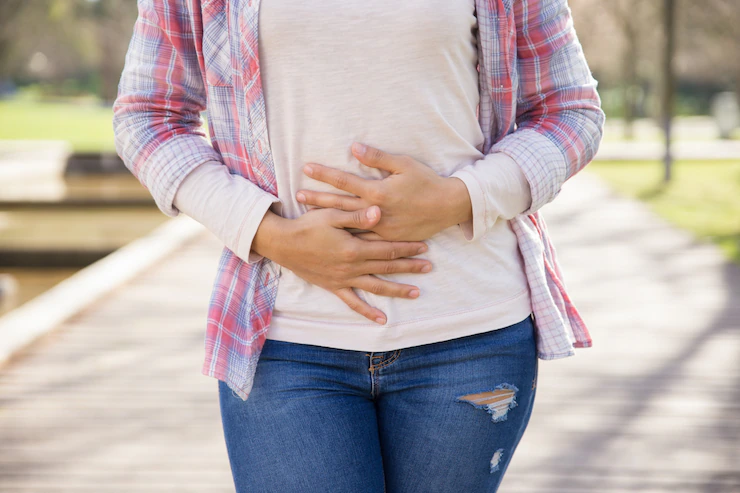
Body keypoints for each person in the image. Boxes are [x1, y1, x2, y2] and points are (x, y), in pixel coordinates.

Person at [112, 0, 604, 491]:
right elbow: (149, 119)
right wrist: (268, 233)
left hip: (470, 337)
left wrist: (460, 199)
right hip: (286, 338)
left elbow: (569, 112)